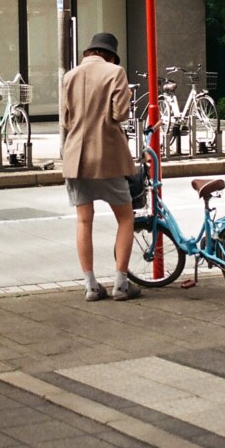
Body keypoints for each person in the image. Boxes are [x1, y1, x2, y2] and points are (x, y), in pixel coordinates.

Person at [61, 32, 141, 301]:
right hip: (108, 156)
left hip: (76, 158)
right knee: (125, 217)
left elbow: (66, 120)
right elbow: (120, 114)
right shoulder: (115, 73)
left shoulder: (69, 77)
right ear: (109, 55)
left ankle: (91, 286)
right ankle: (121, 283)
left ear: (89, 52)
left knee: (84, 220)